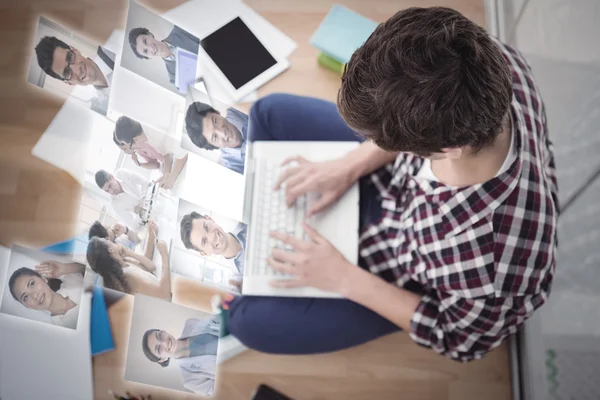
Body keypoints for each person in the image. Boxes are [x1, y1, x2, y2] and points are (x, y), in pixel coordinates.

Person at [217, 7, 559, 362]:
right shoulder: (487, 53)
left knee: (246, 321)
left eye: (383, 138)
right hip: (399, 185)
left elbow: (456, 337)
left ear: (448, 150)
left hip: (403, 266)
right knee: (266, 113)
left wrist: (342, 278)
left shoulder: (492, 269)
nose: (371, 140)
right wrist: (350, 165)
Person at [34, 36, 115, 115]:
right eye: (67, 72)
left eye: (70, 57)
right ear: (69, 83)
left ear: (75, 50)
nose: (77, 69)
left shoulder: (112, 48)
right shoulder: (100, 110)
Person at [141, 316, 220, 396]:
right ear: (162, 359)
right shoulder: (190, 379)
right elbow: (222, 392)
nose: (164, 342)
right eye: (158, 348)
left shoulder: (191, 323)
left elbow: (218, 320)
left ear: (163, 331)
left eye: (159, 336)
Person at [114, 116, 189, 190]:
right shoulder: (148, 136)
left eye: (130, 146)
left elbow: (183, 153)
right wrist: (166, 175)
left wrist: (172, 178)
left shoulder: (155, 132)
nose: (132, 149)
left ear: (136, 139)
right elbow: (166, 153)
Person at [86, 237, 172, 300]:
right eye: (107, 241)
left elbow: (151, 267)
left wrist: (129, 253)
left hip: (168, 293)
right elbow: (164, 293)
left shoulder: (124, 262)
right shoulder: (127, 276)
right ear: (110, 249)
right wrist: (164, 254)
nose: (110, 240)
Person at [9, 261, 86, 329]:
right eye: (25, 297)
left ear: (43, 279)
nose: (34, 295)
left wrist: (65, 268)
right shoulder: (61, 329)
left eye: (32, 284)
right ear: (27, 306)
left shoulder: (72, 278)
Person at [185, 102, 248, 174]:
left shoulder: (237, 110)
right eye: (215, 137)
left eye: (215, 121)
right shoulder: (232, 166)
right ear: (215, 146)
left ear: (217, 112)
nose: (222, 133)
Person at [128, 26, 200, 87]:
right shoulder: (174, 79)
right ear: (148, 57)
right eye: (146, 51)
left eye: (145, 41)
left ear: (149, 34)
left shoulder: (180, 29)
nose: (150, 48)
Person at [180, 212, 246, 277]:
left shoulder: (248, 219)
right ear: (205, 253)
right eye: (204, 241)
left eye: (207, 227)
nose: (212, 237)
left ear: (209, 219)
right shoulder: (241, 278)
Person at [88, 220, 157, 260]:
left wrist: (126, 231)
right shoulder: (116, 255)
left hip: (152, 254)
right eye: (108, 228)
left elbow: (137, 242)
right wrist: (151, 236)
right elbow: (146, 260)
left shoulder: (116, 241)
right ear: (106, 238)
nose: (110, 227)